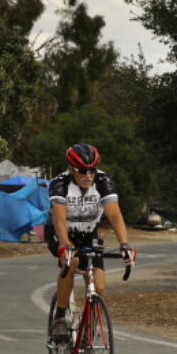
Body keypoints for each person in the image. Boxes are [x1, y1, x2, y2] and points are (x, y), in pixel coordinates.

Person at [46, 143, 134, 341]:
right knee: (73, 261)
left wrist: (124, 245)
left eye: (92, 170)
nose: (88, 175)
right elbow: (59, 219)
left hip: (88, 232)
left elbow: (114, 215)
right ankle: (60, 317)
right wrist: (66, 246)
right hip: (62, 232)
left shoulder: (103, 181)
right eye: (83, 170)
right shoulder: (60, 184)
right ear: (71, 169)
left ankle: (89, 332)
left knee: (99, 287)